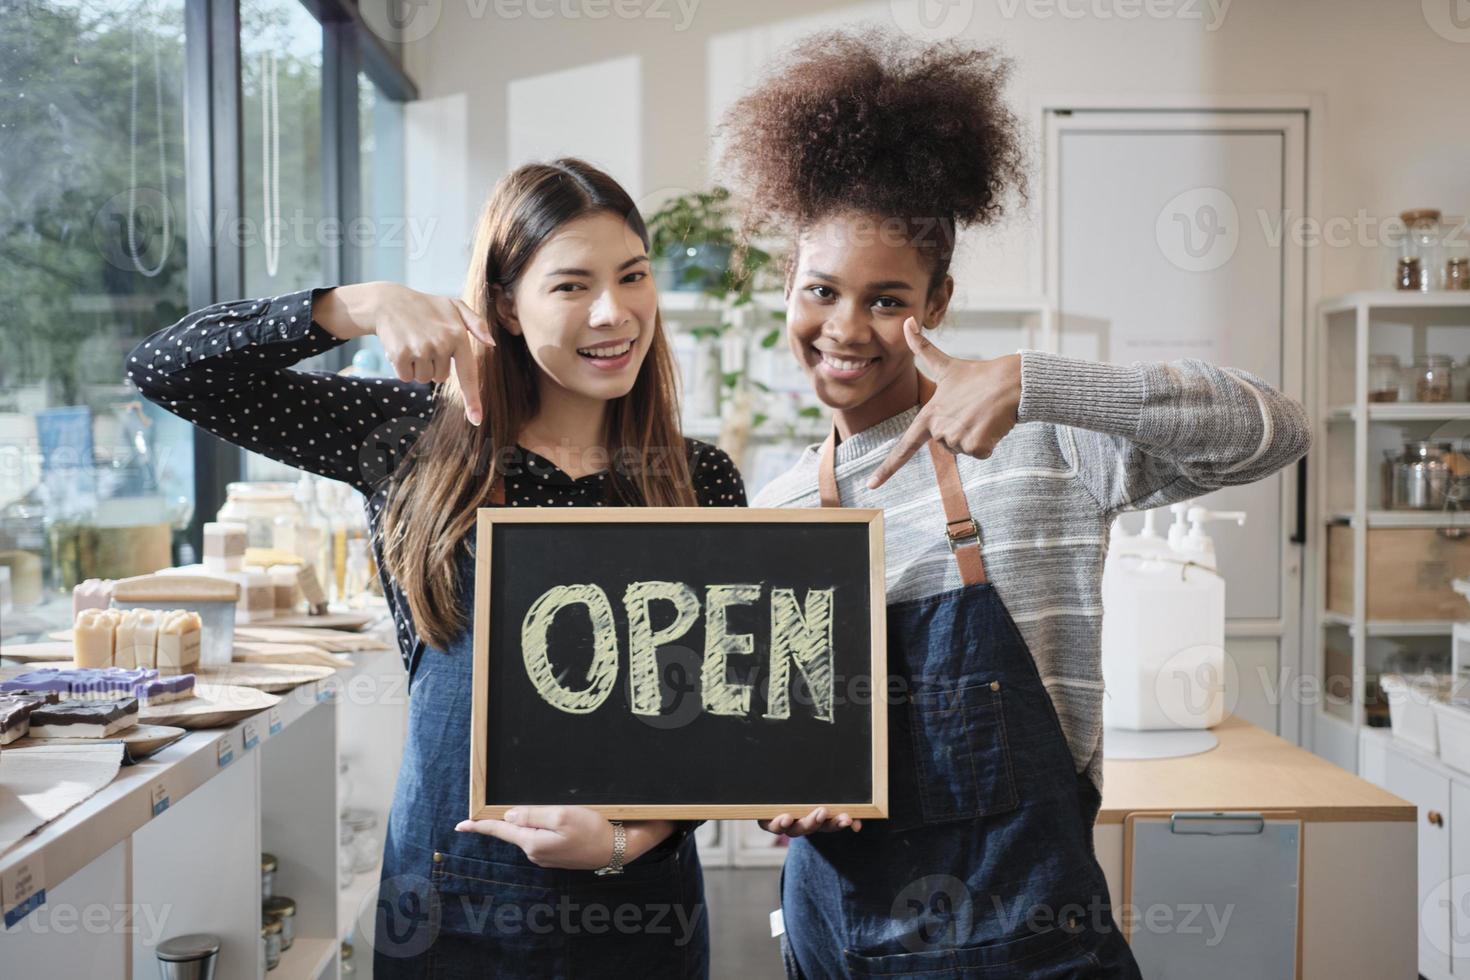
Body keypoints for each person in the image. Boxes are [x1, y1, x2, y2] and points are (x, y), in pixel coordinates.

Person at [719, 30, 1311, 978]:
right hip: (834, 940)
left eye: (885, 299)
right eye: (821, 291)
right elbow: (765, 735)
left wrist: (1039, 384)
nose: (842, 328)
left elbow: (1274, 429)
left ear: (938, 301)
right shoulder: (780, 503)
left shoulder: (1040, 448)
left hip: (1025, 942)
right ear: (786, 288)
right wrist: (777, 790)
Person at [128, 158, 744, 978]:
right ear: (503, 307)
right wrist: (357, 304)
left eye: (632, 276)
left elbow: (727, 725)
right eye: (571, 285)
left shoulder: (699, 479)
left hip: (640, 901)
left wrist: (628, 838)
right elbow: (168, 367)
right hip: (450, 907)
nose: (615, 311)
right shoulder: (414, 441)